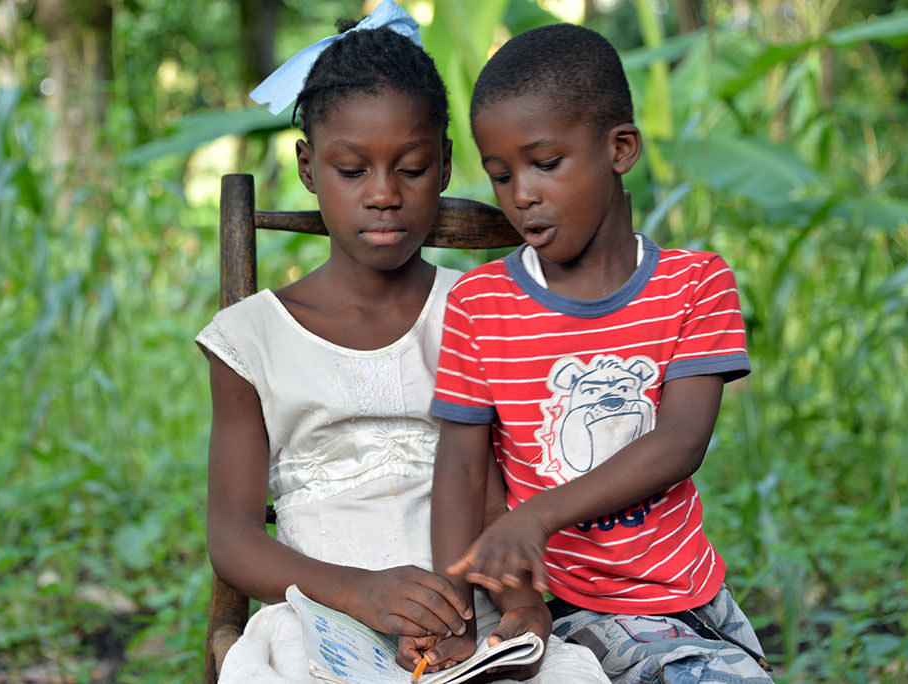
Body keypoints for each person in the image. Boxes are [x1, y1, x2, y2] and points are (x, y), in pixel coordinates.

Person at [196, 3, 607, 682]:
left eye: (410, 169)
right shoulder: (251, 340)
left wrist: (518, 605)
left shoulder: (480, 313)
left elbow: (493, 488)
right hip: (319, 617)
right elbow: (233, 539)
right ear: (307, 167)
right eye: (352, 171)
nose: (383, 195)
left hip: (468, 619)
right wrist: (361, 592)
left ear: (444, 166)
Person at [424, 23, 774, 684]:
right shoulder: (482, 305)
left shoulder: (694, 285)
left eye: (544, 163)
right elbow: (464, 473)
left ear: (620, 149)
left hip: (693, 600)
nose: (521, 193)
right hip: (567, 605)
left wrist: (538, 515)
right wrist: (475, 619)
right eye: (501, 175)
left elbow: (678, 443)